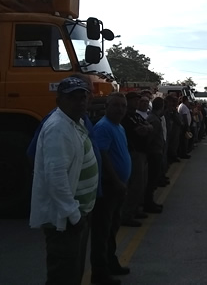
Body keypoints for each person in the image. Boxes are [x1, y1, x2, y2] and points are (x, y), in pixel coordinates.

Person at [29, 76, 99, 285]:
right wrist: (74, 214)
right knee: (64, 274)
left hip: (76, 215)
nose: (80, 102)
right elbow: (56, 177)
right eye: (73, 98)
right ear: (59, 101)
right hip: (66, 219)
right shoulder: (58, 128)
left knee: (73, 271)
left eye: (83, 97)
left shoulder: (74, 122)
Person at [90, 92, 132, 285]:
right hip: (109, 187)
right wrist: (116, 181)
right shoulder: (104, 127)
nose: (120, 109)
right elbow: (103, 157)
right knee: (102, 231)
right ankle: (99, 273)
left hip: (118, 187)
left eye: (123, 106)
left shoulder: (119, 126)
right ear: (107, 106)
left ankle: (110, 262)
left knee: (113, 228)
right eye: (116, 105)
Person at [121, 91, 152, 227]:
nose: (137, 102)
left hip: (142, 153)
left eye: (138, 100)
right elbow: (140, 130)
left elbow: (149, 127)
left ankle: (134, 210)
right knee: (134, 185)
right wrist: (146, 128)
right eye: (135, 100)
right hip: (134, 153)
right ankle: (127, 215)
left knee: (141, 184)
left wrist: (146, 128)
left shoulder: (137, 116)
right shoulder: (126, 117)